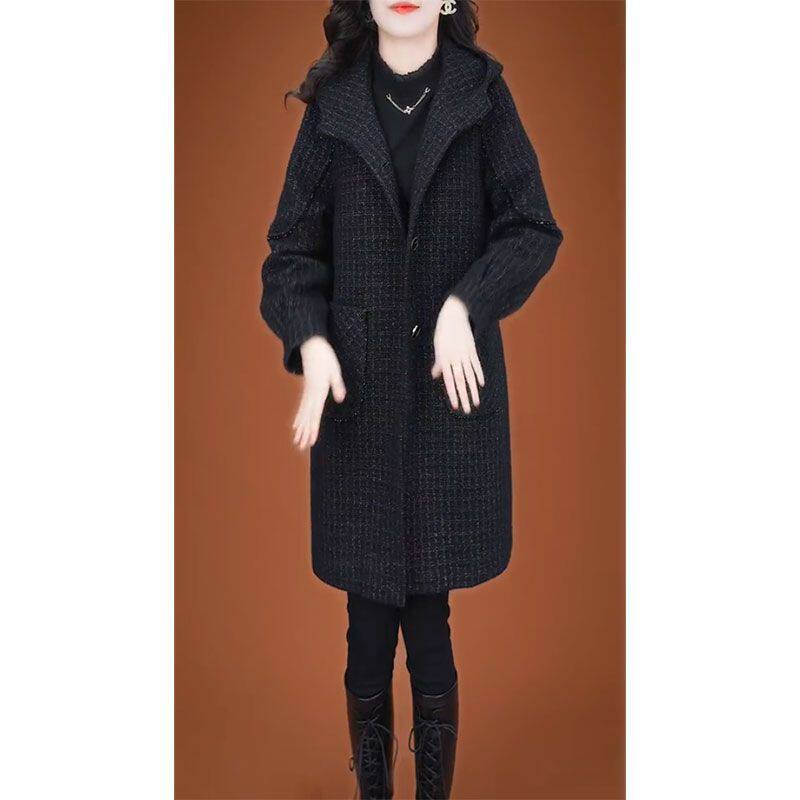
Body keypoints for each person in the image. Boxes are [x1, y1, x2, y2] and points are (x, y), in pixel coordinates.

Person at [259, 1, 563, 797]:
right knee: (366, 632)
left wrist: (468, 303)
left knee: (430, 624)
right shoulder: (333, 110)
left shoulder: (482, 97)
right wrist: (312, 343)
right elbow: (289, 253)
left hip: (443, 407)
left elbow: (531, 226)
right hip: (357, 408)